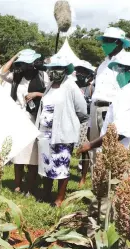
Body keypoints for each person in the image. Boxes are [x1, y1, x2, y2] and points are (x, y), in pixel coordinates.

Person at [79, 52, 130, 155]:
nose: (118, 75)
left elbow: (120, 131)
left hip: (122, 154)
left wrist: (91, 145)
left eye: (120, 70)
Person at [36, 54, 88, 206]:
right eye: (52, 69)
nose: (54, 72)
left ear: (65, 70)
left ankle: (59, 198)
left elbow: (82, 110)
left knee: (61, 164)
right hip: (45, 132)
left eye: (58, 68)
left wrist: (70, 122)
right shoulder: (49, 85)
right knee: (46, 164)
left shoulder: (71, 86)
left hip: (63, 132)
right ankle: (46, 193)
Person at [0, 49, 50, 196]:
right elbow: (2, 73)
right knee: (19, 153)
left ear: (33, 64)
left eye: (28, 63)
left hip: (35, 118)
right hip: (18, 118)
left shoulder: (43, 76)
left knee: (32, 154)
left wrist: (36, 94)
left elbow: (50, 92)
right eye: (23, 63)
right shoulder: (17, 76)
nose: (25, 66)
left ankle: (30, 185)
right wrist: (15, 56)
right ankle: (17, 185)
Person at [89, 27, 130, 163]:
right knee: (94, 151)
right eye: (103, 40)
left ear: (118, 42)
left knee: (109, 149)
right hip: (95, 108)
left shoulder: (126, 61)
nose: (104, 44)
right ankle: (97, 182)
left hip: (110, 109)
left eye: (108, 41)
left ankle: (110, 183)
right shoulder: (103, 63)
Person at [74, 60, 95, 186]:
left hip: (85, 122)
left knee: (85, 149)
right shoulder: (72, 85)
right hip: (71, 120)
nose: (80, 74)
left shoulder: (91, 88)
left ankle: (83, 177)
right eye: (79, 71)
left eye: (83, 71)